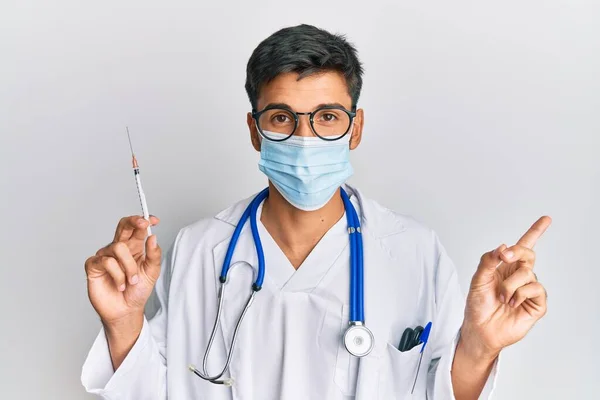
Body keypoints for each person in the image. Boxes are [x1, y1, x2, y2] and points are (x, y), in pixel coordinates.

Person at [81, 24, 551, 399]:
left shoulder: (412, 249)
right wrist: (123, 323)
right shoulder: (201, 248)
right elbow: (152, 391)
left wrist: (480, 347)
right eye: (282, 117)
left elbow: (445, 394)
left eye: (327, 116)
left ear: (355, 127)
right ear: (254, 130)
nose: (305, 139)